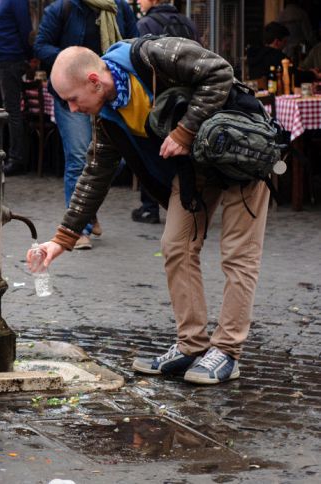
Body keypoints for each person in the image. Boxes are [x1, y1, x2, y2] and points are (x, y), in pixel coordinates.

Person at [30, 39, 268, 385]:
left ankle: (228, 352)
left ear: (94, 81)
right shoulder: (107, 116)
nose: (72, 109)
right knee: (176, 246)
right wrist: (61, 240)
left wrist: (184, 131)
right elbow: (95, 173)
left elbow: (219, 72)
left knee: (238, 253)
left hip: (241, 150)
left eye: (73, 99)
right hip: (196, 169)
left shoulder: (153, 57)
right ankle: (192, 346)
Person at [33, 0, 137, 248]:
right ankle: (80, 229)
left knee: (120, 156)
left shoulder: (119, 7)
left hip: (109, 91)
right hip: (75, 95)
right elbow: (40, 46)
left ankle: (89, 208)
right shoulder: (62, 8)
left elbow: (135, 44)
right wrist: (74, 63)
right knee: (79, 157)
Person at [132, 0, 198, 225]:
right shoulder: (188, 23)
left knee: (153, 152)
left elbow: (139, 64)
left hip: (159, 101)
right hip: (187, 98)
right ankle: (188, 203)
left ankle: (150, 207)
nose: (139, 1)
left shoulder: (145, 24)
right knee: (184, 152)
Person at [0, 0, 32, 176]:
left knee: (11, 110)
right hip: (0, 59)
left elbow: (25, 28)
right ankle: (2, 153)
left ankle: (17, 159)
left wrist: (29, 55)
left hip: (11, 58)